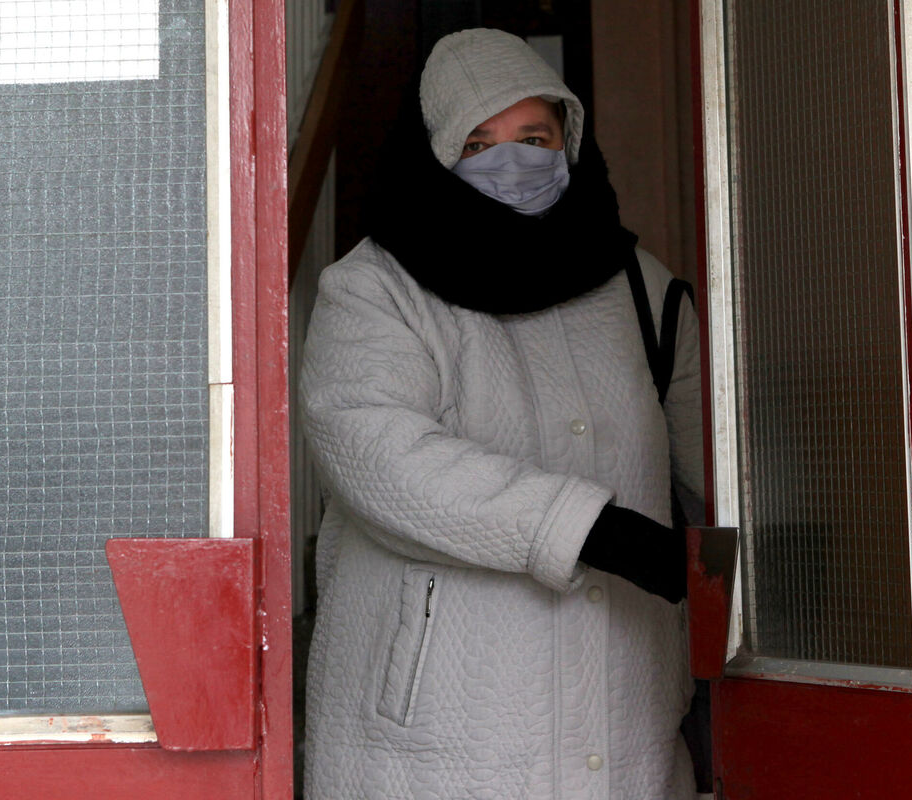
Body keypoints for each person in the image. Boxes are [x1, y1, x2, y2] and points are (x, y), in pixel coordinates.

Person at [301, 27, 704, 799]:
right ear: (434, 153)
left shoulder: (643, 291)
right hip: (442, 740)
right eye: (477, 143)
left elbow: (718, 468)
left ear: (569, 140)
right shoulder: (376, 288)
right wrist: (583, 527)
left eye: (534, 137)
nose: (511, 162)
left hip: (626, 726)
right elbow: (379, 454)